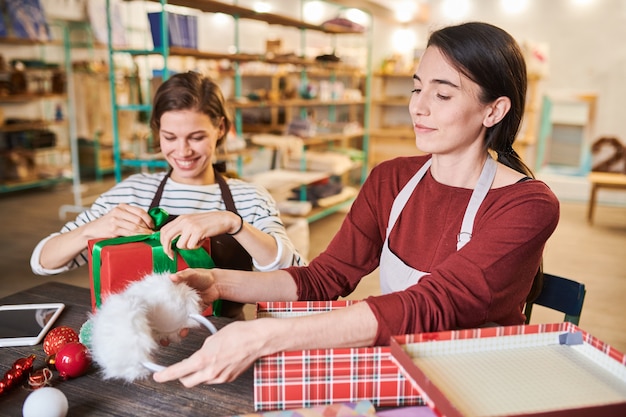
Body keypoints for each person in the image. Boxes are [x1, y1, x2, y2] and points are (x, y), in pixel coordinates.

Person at [153, 21, 560, 386]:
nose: (418, 106)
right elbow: (323, 279)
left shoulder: (527, 206)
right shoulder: (392, 180)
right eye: (418, 87)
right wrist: (221, 283)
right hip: (403, 364)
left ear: (494, 110)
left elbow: (433, 304)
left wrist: (268, 336)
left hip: (483, 380)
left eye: (443, 94)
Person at [31, 71, 305, 318]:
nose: (183, 151)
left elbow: (295, 271)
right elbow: (42, 261)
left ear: (220, 128)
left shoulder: (249, 198)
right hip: (141, 342)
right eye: (170, 137)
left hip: (224, 340)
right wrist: (91, 230)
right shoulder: (132, 192)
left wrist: (235, 224)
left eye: (196, 137)